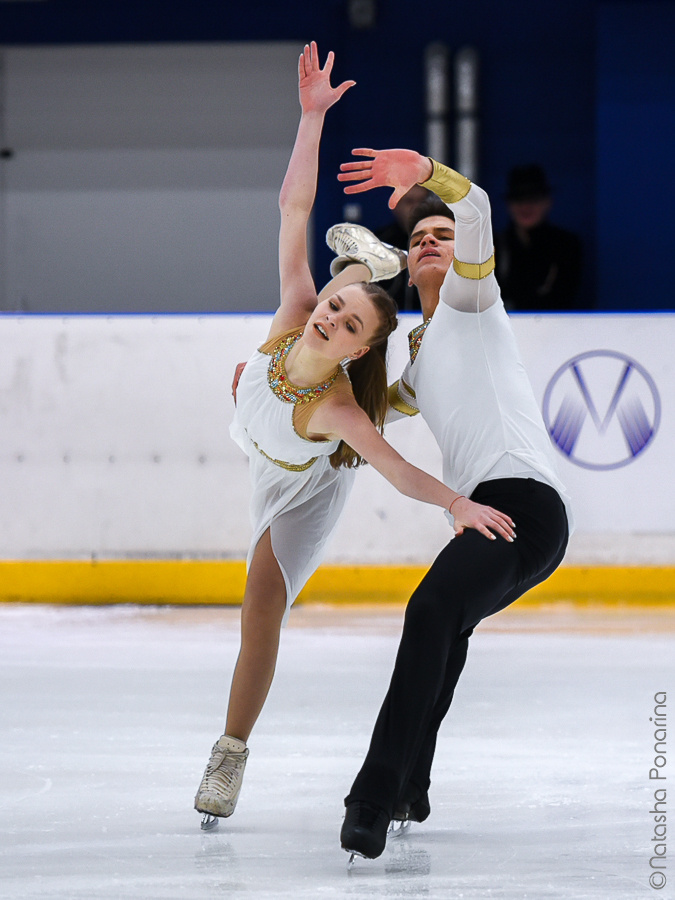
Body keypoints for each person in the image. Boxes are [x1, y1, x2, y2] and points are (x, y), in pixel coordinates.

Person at [193, 44, 516, 830]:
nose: (325, 318)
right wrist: (310, 119)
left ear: (354, 353)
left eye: (342, 323)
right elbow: (293, 209)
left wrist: (455, 504)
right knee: (317, 287)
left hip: (303, 483)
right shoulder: (292, 314)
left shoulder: (341, 411)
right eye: (332, 308)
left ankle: (229, 753)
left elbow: (395, 468)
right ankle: (370, 266)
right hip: (261, 430)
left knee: (260, 608)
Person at [330, 148, 572, 860]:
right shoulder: (418, 352)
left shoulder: (472, 303)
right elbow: (365, 414)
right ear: (406, 267)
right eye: (417, 240)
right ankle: (411, 787)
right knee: (447, 628)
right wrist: (276, 379)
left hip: (524, 506)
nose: (431, 242)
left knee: (432, 610)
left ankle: (371, 799)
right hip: (494, 513)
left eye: (441, 235)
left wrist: (425, 172)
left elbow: (477, 209)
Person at [494, 164, 584, 311]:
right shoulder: (493, 245)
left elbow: (562, 297)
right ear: (509, 205)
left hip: (554, 323)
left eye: (533, 199)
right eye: (519, 200)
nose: (526, 207)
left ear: (548, 202)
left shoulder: (566, 246)